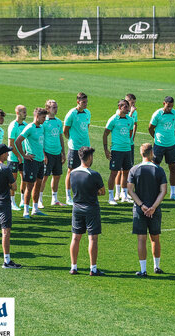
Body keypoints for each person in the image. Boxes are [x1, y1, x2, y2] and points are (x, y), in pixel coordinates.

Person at [127, 143, 168, 277]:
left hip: (140, 210)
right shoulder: (159, 170)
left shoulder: (134, 170)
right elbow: (163, 191)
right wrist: (153, 207)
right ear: (151, 153)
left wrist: (141, 205)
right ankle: (157, 266)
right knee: (155, 238)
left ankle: (143, 270)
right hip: (154, 209)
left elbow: (130, 190)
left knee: (141, 239)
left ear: (141, 153)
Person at [69, 147, 106, 276]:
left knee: (75, 238)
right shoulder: (94, 174)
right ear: (89, 158)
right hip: (91, 209)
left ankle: (73, 267)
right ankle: (93, 269)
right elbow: (102, 191)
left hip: (77, 208)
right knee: (93, 239)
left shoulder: (72, 173)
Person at [15, 107, 47, 218]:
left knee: (38, 184)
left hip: (40, 160)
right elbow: (18, 141)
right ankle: (26, 211)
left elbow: (40, 143)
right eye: (43, 117)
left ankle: (35, 208)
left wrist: (44, 155)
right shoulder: (29, 128)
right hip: (31, 161)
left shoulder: (41, 127)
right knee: (29, 186)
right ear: (37, 117)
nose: (44, 119)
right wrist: (24, 155)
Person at [149, 96, 175, 201]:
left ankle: (173, 193)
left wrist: (170, 137)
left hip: (171, 145)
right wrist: (156, 137)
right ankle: (154, 191)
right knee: (155, 168)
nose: (170, 108)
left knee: (173, 167)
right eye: (168, 106)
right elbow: (150, 128)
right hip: (159, 145)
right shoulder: (157, 114)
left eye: (171, 106)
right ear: (164, 103)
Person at [104, 99, 134, 205]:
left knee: (126, 172)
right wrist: (106, 149)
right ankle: (111, 197)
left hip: (127, 150)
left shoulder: (130, 120)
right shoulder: (113, 119)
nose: (128, 109)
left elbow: (130, 133)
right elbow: (105, 134)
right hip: (116, 150)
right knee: (114, 173)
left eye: (128, 106)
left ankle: (124, 195)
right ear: (120, 107)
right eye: (126, 107)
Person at [64, 92, 91, 206]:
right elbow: (65, 130)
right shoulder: (71, 114)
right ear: (78, 102)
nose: (85, 104)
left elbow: (87, 127)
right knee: (71, 171)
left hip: (86, 146)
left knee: (85, 170)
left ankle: (82, 194)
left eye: (86, 102)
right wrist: (71, 140)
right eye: (83, 102)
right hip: (74, 147)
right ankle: (68, 196)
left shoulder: (88, 113)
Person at [39, 99, 66, 208]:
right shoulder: (43, 122)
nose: (56, 109)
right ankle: (39, 199)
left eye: (56, 107)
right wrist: (44, 154)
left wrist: (63, 153)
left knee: (57, 176)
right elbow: (40, 139)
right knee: (44, 177)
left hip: (57, 153)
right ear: (47, 109)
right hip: (48, 153)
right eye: (53, 107)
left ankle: (54, 199)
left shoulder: (59, 122)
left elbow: (61, 137)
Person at [115, 93, 138, 202]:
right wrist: (131, 112)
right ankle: (117, 192)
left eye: (134, 103)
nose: (132, 105)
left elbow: (134, 125)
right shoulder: (120, 112)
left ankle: (124, 193)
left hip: (129, 143)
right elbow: (125, 122)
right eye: (130, 103)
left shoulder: (135, 112)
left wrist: (132, 138)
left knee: (127, 169)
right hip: (120, 145)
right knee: (119, 170)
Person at [7, 105, 28, 210]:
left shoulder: (25, 125)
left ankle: (23, 201)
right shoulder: (13, 126)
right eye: (23, 112)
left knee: (24, 178)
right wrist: (19, 155)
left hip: (23, 156)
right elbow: (11, 144)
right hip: (13, 158)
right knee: (13, 180)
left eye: (25, 111)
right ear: (17, 113)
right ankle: (12, 202)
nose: (25, 113)